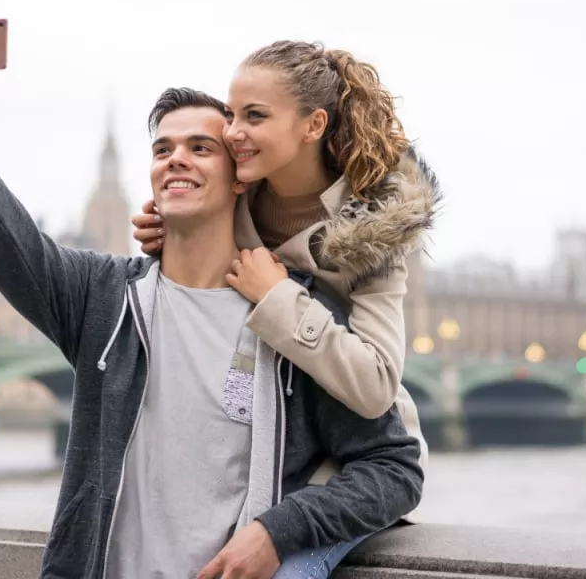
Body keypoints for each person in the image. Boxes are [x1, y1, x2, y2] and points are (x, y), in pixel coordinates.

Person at [0, 14, 424, 579]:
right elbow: (5, 238)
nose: (177, 158)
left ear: (240, 177)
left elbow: (392, 466)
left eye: (201, 147)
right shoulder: (105, 301)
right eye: (162, 148)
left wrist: (280, 530)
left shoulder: (296, 312)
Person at [133, 40, 440, 521]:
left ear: (313, 125)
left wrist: (278, 297)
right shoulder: (232, 192)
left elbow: (376, 385)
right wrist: (172, 232)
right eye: (231, 115)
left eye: (254, 117)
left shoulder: (374, 231)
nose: (233, 132)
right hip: (251, 448)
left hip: (344, 466)